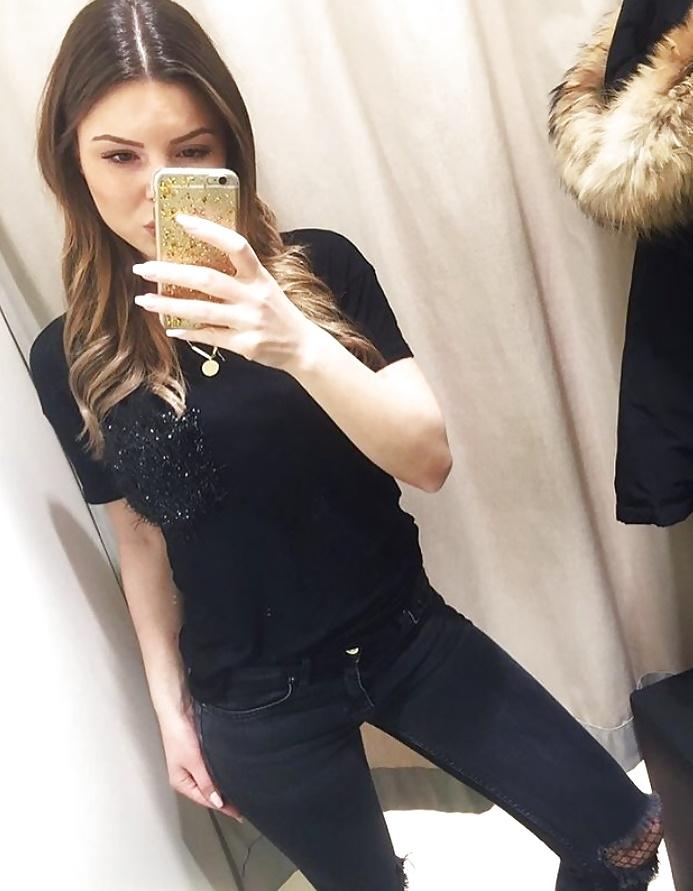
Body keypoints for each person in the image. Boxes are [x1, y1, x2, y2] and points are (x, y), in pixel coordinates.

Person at [28, 1, 663, 888]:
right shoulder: (72, 355)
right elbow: (139, 539)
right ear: (71, 159)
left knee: (622, 836)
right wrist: (169, 712)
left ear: (231, 150)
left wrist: (292, 339)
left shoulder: (321, 271)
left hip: (404, 635)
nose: (158, 187)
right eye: (120, 156)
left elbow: (427, 459)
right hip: (253, 702)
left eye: (192, 150)